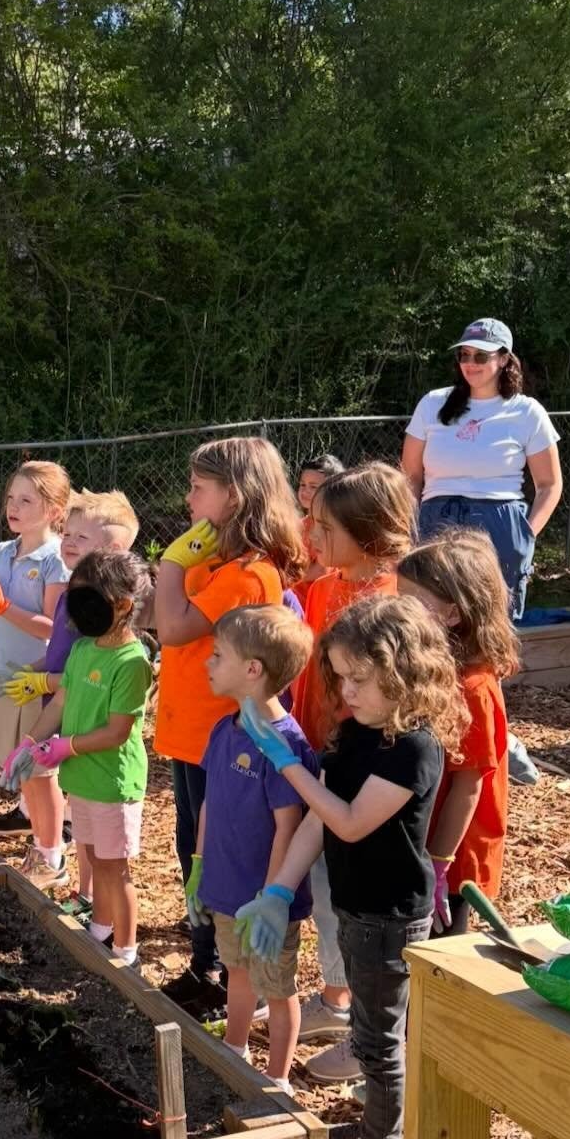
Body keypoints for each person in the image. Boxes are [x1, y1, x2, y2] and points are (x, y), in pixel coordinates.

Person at [236, 596, 465, 1139]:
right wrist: (278, 891)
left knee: (379, 1044)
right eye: (339, 676)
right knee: (370, 1034)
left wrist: (288, 763)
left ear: (405, 674)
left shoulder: (413, 748)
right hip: (358, 912)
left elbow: (349, 822)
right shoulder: (361, 732)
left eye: (360, 679)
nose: (346, 690)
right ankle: (377, 1136)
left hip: (391, 917)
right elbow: (317, 818)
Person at [153, 437, 307, 1010]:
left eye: (199, 488)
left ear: (235, 496)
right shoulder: (214, 563)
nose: (189, 499)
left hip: (220, 739)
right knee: (191, 846)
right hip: (193, 732)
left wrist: (171, 561)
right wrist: (179, 567)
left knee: (216, 852)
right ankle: (207, 961)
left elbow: (170, 628)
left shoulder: (247, 575)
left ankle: (222, 974)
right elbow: (160, 613)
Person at [284, 462, 415, 1082]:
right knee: (327, 890)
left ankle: (366, 1033)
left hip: (367, 765)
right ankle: (337, 1000)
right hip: (324, 751)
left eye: (325, 525)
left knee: (353, 899)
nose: (311, 534)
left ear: (365, 530)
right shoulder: (323, 586)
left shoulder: (392, 597)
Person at [0, 489, 141, 908]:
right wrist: (30, 673)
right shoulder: (75, 591)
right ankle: (82, 890)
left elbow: (78, 675)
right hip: (65, 717)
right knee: (81, 812)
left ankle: (88, 895)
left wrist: (42, 683)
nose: (68, 542)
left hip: (88, 727)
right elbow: (61, 653)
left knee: (90, 817)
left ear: (110, 552)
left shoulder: (98, 611)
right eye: (68, 533)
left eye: (81, 538)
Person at [2, 550, 154, 965]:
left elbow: (118, 730)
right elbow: (60, 704)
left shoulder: (132, 661)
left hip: (112, 782)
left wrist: (65, 746)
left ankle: (126, 953)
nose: (77, 608)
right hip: (82, 779)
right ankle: (100, 930)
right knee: (92, 856)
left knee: (114, 868)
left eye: (88, 598)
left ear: (122, 605)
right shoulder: (84, 649)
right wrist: (29, 744)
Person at [189, 606, 318, 1090]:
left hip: (266, 902)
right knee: (236, 973)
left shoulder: (286, 745)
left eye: (218, 655)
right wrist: (199, 868)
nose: (208, 662)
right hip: (226, 890)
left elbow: (288, 827)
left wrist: (272, 896)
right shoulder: (225, 730)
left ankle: (276, 1082)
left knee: (278, 989)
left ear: (252, 670)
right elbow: (208, 806)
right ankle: (234, 1050)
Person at [400, 318, 563, 620]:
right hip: (437, 521)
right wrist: (411, 526)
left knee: (492, 623)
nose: (470, 363)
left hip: (499, 524)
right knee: (429, 620)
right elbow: (410, 477)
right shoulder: (432, 404)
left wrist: (525, 535)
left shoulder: (526, 411)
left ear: (503, 359)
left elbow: (549, 485)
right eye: (464, 355)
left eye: (481, 356)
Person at [398, 532, 518, 935]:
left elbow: (468, 787)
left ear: (452, 614)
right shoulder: (438, 669)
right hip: (428, 847)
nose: (398, 611)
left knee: (440, 963)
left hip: (454, 859)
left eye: (410, 602)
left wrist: (437, 862)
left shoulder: (473, 688)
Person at [0, 460, 71, 849]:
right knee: (21, 764)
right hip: (5, 674)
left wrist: (1, 605)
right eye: (12, 498)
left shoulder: (55, 559)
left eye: (26, 500)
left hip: (38, 679)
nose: (14, 507)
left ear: (55, 511)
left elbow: (53, 627)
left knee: (39, 769)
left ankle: (53, 845)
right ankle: (34, 825)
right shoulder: (0, 550)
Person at [296, 452, 344, 585]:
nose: (305, 491)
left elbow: (322, 570)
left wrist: (286, 579)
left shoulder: (331, 526)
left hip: (317, 596)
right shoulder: (300, 524)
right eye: (302, 485)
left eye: (313, 487)